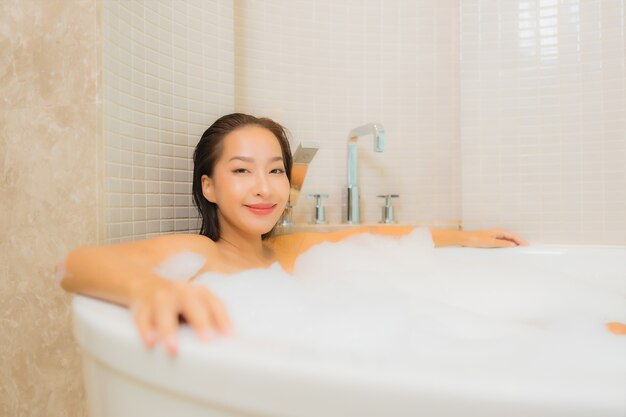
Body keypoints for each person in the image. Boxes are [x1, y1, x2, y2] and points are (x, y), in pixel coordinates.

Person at [58, 113, 533, 355]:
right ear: (209, 186)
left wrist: (466, 238)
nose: (264, 188)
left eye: (276, 170)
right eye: (242, 171)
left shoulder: (287, 253)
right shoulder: (197, 251)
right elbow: (77, 264)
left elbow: (375, 235)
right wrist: (148, 288)